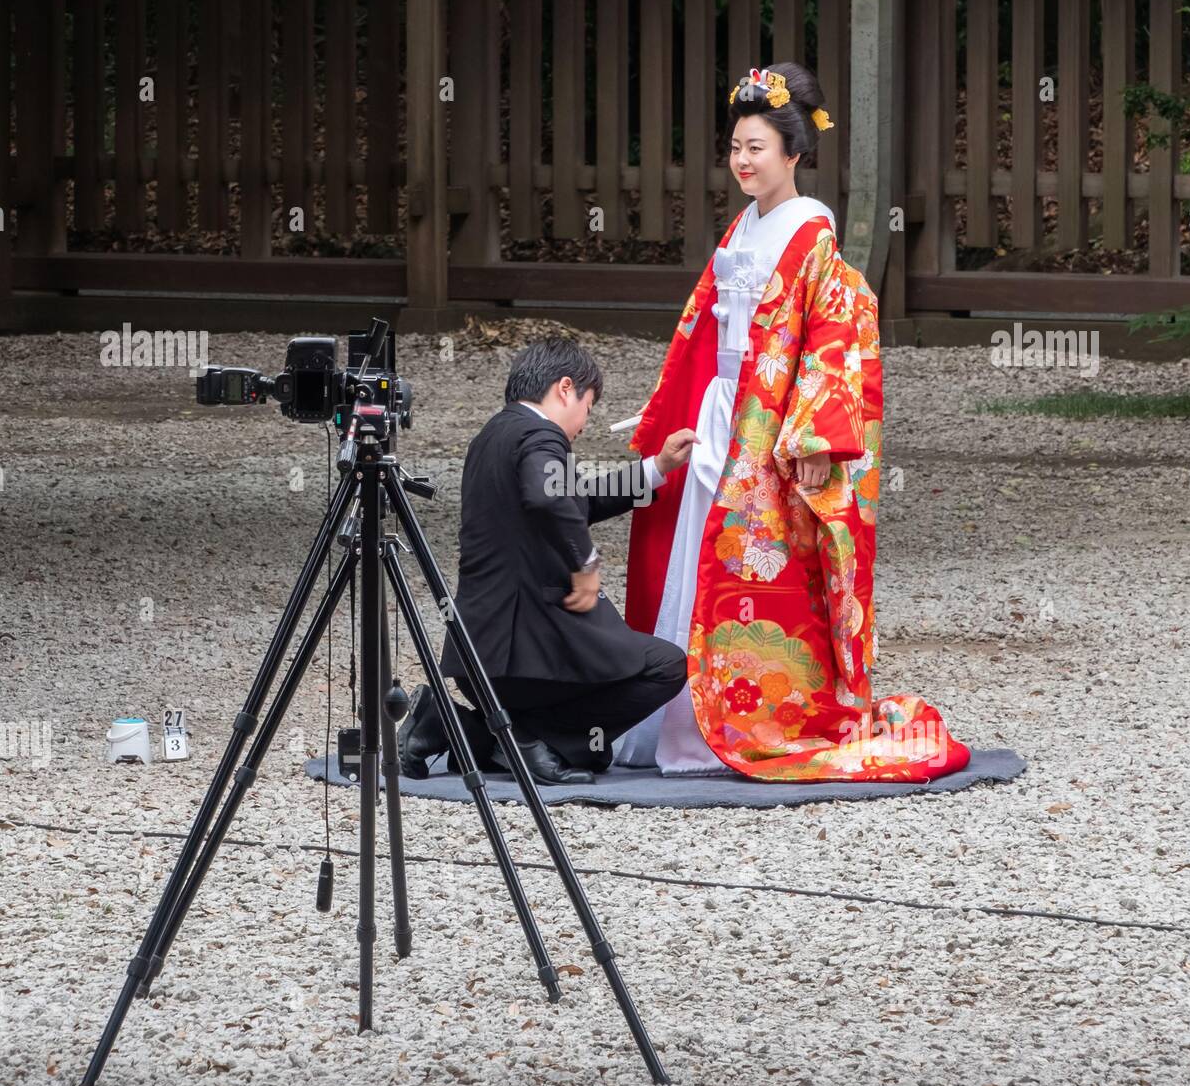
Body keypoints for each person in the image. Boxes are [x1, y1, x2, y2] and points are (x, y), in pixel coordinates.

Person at [617, 62, 971, 782]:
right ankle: (678, 719)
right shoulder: (744, 225)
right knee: (694, 548)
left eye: (757, 148)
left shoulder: (811, 233)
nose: (743, 161)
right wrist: (671, 406)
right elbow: (701, 326)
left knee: (743, 563)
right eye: (736, 147)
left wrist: (814, 436)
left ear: (793, 154)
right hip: (722, 406)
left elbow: (837, 336)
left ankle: (744, 716)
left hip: (767, 424)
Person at [399, 338, 699, 785]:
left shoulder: (495, 433)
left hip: (478, 655)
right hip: (528, 656)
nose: (584, 422)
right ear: (565, 388)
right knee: (666, 665)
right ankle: (535, 744)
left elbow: (570, 501)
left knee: (585, 722)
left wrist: (655, 467)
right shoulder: (540, 434)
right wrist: (587, 563)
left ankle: (455, 727)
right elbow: (549, 497)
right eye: (589, 405)